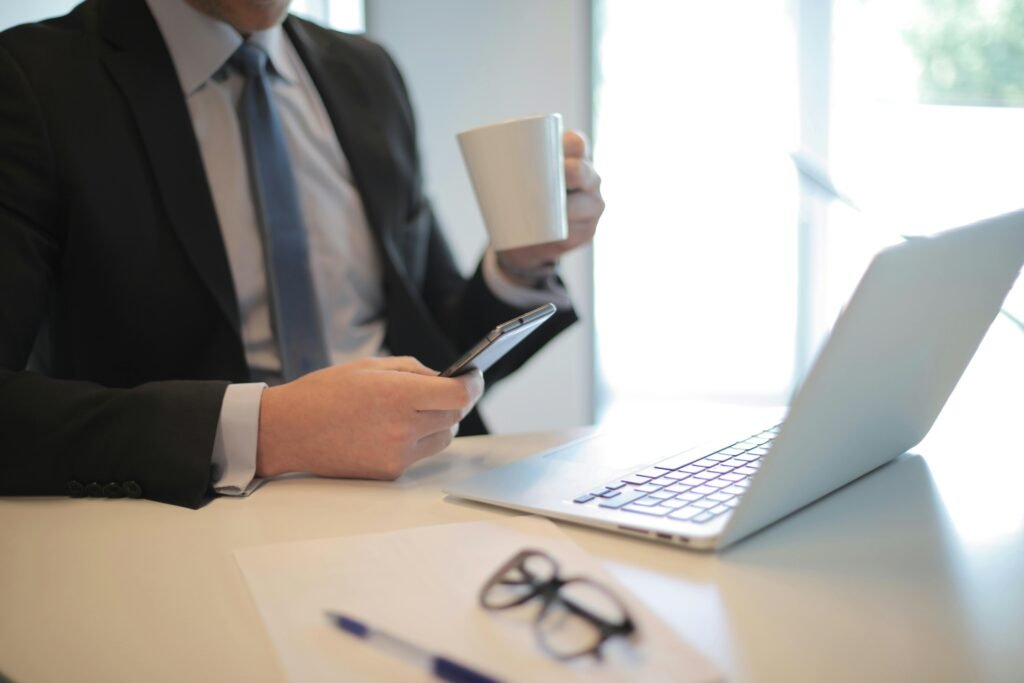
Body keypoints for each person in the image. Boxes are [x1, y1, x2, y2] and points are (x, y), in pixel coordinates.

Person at [0, 0, 604, 507]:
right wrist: (269, 430)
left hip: (426, 497)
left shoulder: (367, 73)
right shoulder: (34, 80)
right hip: (187, 527)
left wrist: (521, 265)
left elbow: (435, 342)